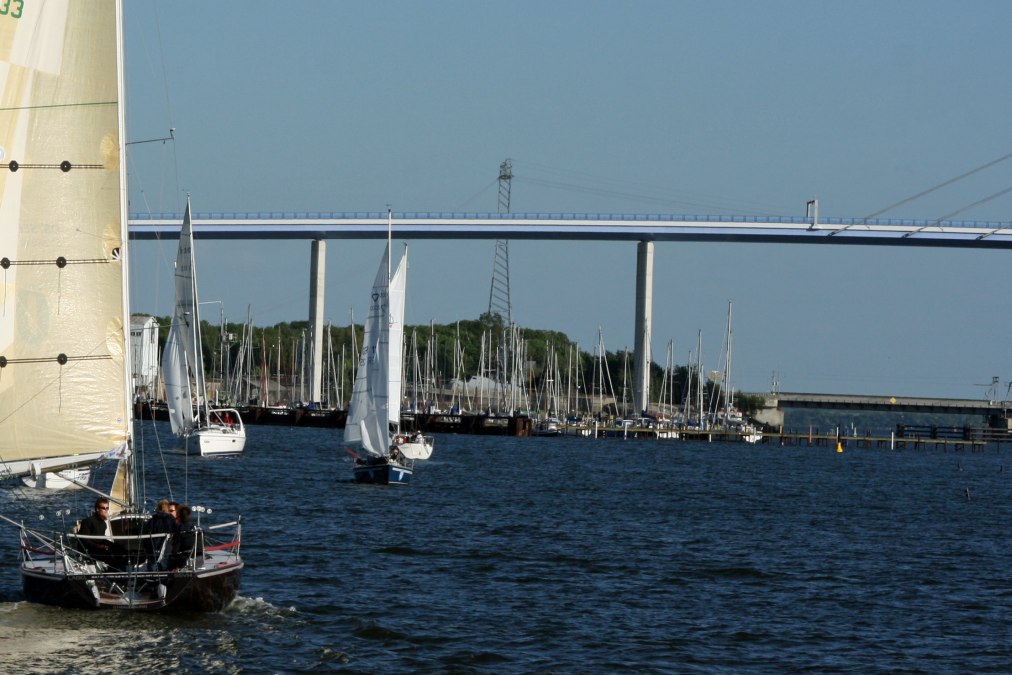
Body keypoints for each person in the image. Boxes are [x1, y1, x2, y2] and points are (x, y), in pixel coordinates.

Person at [76, 497, 117, 567]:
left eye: (107, 508)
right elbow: (84, 540)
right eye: (104, 508)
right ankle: (113, 571)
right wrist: (99, 546)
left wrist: (114, 545)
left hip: (98, 547)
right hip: (89, 550)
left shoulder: (103, 524)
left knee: (119, 549)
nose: (106, 510)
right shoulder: (88, 521)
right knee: (110, 555)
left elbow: (101, 538)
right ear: (97, 509)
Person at [145, 499, 177, 567]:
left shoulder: (152, 520)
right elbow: (176, 531)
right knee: (165, 566)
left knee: (152, 566)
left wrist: (147, 548)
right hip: (166, 548)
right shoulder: (171, 520)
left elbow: (146, 534)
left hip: (153, 548)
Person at [170, 505, 197, 570]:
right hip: (193, 553)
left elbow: (176, 546)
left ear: (179, 516)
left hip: (182, 556)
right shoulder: (194, 527)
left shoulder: (179, 528)